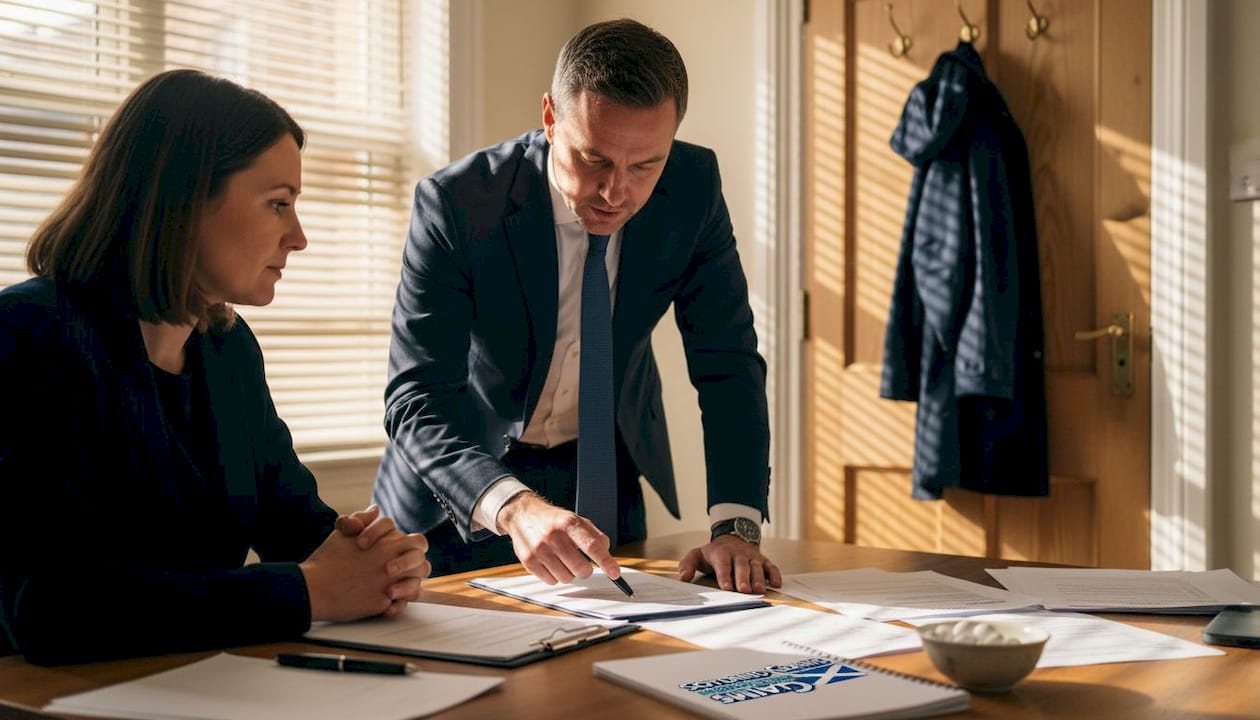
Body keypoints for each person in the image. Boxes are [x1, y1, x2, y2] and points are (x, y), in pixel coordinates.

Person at [0, 69, 429, 666]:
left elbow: (295, 525)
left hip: (195, 681)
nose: (298, 237)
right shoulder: (29, 335)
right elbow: (51, 608)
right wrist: (307, 592)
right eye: (278, 204)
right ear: (184, 200)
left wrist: (377, 560)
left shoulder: (226, 348)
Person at [374, 18, 780, 595]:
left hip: (602, 476)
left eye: (645, 166)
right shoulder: (459, 204)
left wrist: (736, 527)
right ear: (550, 117)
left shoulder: (692, 189)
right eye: (594, 159)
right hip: (462, 491)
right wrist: (513, 505)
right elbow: (416, 398)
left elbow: (728, 363)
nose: (616, 192)